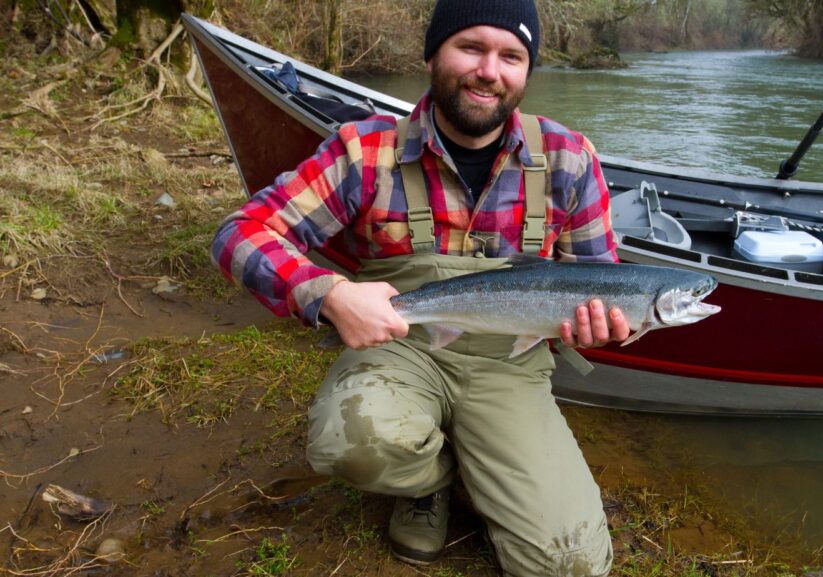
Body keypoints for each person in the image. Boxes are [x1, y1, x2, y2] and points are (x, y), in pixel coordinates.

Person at [211, 1, 629, 574]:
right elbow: (239, 233)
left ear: (527, 71)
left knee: (570, 565)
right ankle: (428, 482)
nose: (490, 71)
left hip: (509, 366)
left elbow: (603, 284)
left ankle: (485, 459)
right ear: (433, 54)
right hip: (400, 348)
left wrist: (605, 331)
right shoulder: (364, 150)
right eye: (471, 47)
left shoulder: (568, 159)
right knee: (350, 444)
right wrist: (328, 293)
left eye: (511, 56)